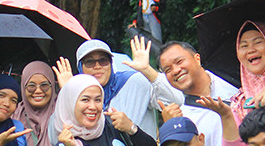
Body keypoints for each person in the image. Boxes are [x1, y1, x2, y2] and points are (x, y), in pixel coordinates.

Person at [52, 37, 182, 140]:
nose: (97, 66)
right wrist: (68, 94)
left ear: (111, 64)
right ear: (81, 68)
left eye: (103, 60)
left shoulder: (134, 81)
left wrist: (147, 70)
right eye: (90, 62)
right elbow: (55, 137)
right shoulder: (77, 96)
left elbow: (176, 101)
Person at [156, 40, 239, 146]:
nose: (175, 71)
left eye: (179, 61)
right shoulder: (183, 119)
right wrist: (173, 128)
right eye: (168, 70)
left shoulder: (235, 79)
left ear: (197, 59)